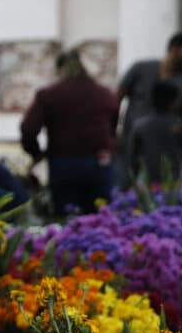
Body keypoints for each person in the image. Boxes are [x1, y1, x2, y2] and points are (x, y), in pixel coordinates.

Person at [19, 49, 119, 216]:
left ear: (60, 70)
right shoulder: (105, 94)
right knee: (101, 219)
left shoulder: (49, 95)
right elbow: (113, 128)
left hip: (63, 164)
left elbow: (28, 129)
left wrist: (36, 154)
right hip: (99, 162)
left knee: (65, 220)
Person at [118, 32, 182, 146]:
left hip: (163, 147)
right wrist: (112, 133)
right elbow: (116, 99)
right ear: (174, 48)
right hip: (131, 143)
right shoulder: (140, 69)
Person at [128, 81, 182, 185]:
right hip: (174, 181)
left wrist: (133, 179)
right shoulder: (180, 125)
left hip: (147, 182)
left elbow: (132, 158)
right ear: (172, 102)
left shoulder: (139, 125)